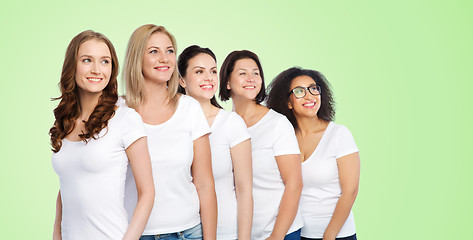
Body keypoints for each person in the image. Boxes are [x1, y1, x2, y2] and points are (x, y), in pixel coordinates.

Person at [50, 30, 155, 240]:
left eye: (105, 61)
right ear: (72, 65)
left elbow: (148, 193)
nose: (97, 70)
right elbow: (67, 186)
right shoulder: (65, 121)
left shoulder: (126, 119)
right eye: (87, 60)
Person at [122, 25, 217, 240]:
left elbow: (204, 183)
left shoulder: (189, 108)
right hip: (133, 234)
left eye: (170, 50)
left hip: (188, 233)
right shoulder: (118, 111)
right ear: (137, 58)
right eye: (154, 51)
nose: (164, 58)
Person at [267, 67, 360, 240]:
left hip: (337, 235)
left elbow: (351, 191)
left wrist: (329, 236)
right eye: (299, 91)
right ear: (288, 102)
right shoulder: (284, 139)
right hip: (295, 233)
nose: (309, 96)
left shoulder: (339, 134)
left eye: (313, 88)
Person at [219, 50, 303, 240]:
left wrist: (276, 236)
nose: (251, 78)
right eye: (242, 73)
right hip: (239, 234)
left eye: (256, 73)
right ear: (227, 82)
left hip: (279, 233)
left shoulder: (277, 124)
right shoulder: (222, 125)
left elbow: (295, 184)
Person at [177, 45, 253, 240]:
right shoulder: (172, 123)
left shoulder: (231, 123)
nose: (209, 78)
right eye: (199, 72)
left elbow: (244, 190)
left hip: (225, 232)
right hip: (181, 230)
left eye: (212, 71)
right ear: (181, 80)